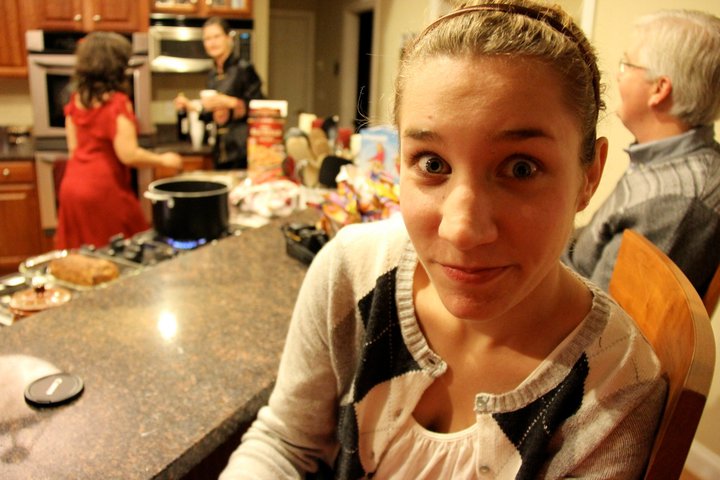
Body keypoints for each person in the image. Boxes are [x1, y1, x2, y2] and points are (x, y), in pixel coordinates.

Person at [220, 1, 666, 478]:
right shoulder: (354, 270)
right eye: (432, 163)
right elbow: (285, 445)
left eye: (521, 168)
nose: (462, 230)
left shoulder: (615, 386)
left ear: (589, 176)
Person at [563, 9, 720, 295]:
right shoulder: (663, 161)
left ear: (659, 89)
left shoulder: (678, 202)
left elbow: (606, 314)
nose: (618, 75)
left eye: (626, 65)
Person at [56, 32, 182, 250]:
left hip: (72, 187)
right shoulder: (117, 102)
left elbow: (73, 148)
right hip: (103, 189)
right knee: (123, 252)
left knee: (83, 257)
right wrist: (164, 160)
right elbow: (128, 154)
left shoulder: (77, 99)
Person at [174, 17, 264, 170]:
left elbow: (260, 106)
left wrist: (231, 102)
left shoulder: (244, 69)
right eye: (207, 39)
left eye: (216, 36)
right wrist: (190, 107)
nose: (212, 43)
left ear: (228, 38)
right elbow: (212, 115)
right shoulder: (212, 75)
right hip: (219, 149)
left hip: (242, 149)